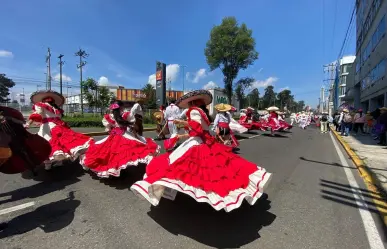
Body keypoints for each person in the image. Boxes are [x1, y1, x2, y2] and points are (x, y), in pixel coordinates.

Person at [130, 90, 272, 212]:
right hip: (204, 140)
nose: (189, 106)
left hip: (198, 143)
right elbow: (199, 131)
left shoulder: (194, 111)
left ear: (192, 103)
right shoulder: (203, 112)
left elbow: (196, 128)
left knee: (178, 166)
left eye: (190, 104)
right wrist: (182, 135)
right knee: (216, 168)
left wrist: (182, 123)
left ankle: (172, 190)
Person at [80, 100, 159, 178]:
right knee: (129, 152)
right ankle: (119, 169)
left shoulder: (109, 117)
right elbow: (133, 125)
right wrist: (136, 135)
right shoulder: (126, 114)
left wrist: (112, 133)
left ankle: (113, 169)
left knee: (110, 153)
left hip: (113, 136)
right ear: (122, 107)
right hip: (125, 134)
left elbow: (108, 129)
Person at [25, 90, 93, 170]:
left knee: (45, 144)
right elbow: (53, 118)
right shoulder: (56, 108)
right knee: (61, 143)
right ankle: (59, 162)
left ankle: (48, 164)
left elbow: (37, 115)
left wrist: (27, 124)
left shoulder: (40, 105)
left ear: (43, 100)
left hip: (47, 128)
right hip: (59, 126)